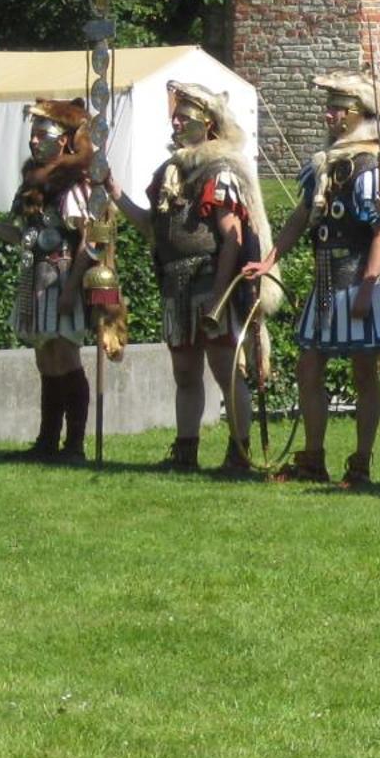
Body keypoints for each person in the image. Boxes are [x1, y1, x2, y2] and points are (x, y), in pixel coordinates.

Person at [246, 72, 380, 489]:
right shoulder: (326, 165)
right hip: (325, 281)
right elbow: (303, 215)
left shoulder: (371, 168)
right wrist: (271, 258)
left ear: (355, 114)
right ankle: (313, 458)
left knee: (364, 374)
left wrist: (367, 286)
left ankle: (360, 464)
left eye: (338, 108)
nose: (329, 114)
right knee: (309, 368)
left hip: (359, 281)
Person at [107, 81, 271, 473]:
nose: (176, 123)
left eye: (185, 117)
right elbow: (152, 226)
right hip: (176, 285)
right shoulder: (170, 170)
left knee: (224, 369)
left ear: (208, 123)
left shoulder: (220, 170)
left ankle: (239, 451)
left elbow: (231, 237)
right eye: (175, 117)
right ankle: (186, 450)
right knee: (184, 372)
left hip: (210, 279)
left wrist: (219, 295)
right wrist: (114, 192)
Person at [0, 97, 96, 461]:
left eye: (43, 134)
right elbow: (23, 234)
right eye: (33, 134)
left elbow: (91, 239)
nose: (34, 141)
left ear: (64, 141)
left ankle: (74, 446)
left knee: (66, 356)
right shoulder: (31, 183)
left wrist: (72, 288)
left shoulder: (75, 184)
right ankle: (46, 441)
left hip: (64, 275)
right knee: (45, 358)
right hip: (35, 277)